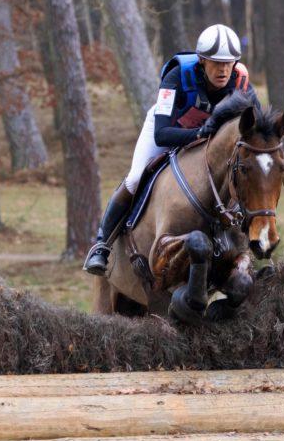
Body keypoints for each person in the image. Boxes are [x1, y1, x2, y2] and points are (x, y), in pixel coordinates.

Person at [84, 23, 261, 275]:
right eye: (215, 63)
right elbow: (162, 132)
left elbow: (258, 128)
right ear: (201, 60)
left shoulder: (242, 84)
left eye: (228, 63)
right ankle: (101, 245)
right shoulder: (178, 76)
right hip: (169, 129)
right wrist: (198, 134)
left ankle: (253, 242)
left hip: (206, 143)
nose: (223, 70)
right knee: (135, 178)